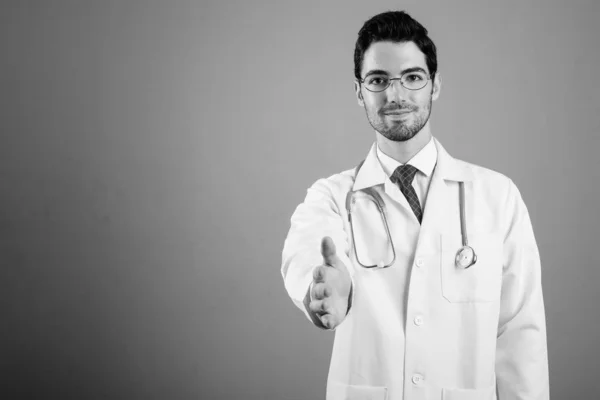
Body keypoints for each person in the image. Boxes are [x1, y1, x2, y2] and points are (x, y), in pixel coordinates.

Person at [280, 10, 549, 400]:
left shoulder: (498, 196)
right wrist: (320, 289)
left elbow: (521, 333)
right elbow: (307, 252)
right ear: (359, 92)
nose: (395, 94)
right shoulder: (333, 197)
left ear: (435, 86)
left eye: (412, 77)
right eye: (377, 80)